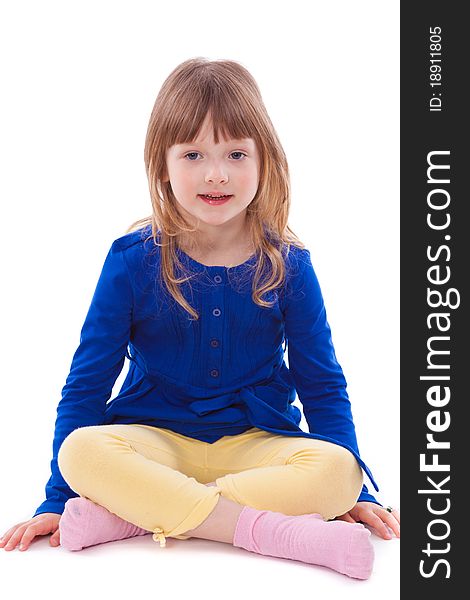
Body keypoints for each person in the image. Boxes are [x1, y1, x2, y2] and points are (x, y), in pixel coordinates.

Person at [0, 57, 399, 579]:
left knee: (338, 471)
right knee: (82, 452)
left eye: (236, 153)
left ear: (265, 161)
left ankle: (131, 516)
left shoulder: (289, 266)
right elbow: (87, 384)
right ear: (162, 164)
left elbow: (321, 384)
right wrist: (56, 499)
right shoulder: (132, 260)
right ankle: (269, 530)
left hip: (254, 444)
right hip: (153, 443)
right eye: (193, 154)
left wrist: (358, 490)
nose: (216, 173)